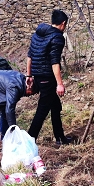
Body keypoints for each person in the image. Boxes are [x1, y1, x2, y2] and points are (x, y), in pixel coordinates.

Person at [27, 9, 71, 145]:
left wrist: (29, 75)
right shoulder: (57, 37)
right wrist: (59, 83)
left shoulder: (38, 33)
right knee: (42, 110)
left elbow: (29, 56)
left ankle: (60, 138)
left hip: (38, 76)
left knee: (55, 106)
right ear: (63, 23)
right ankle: (29, 140)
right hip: (48, 78)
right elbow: (54, 62)